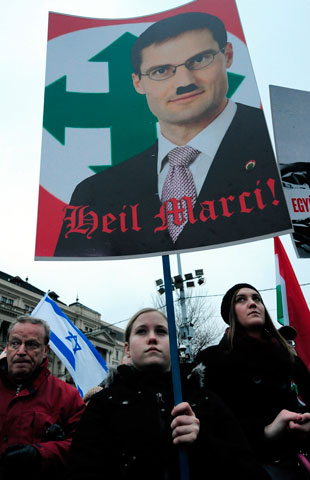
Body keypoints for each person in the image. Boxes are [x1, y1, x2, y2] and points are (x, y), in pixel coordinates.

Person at [54, 11, 290, 258]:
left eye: (199, 59)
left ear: (228, 55)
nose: (184, 81)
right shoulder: (95, 194)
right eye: (161, 71)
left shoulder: (282, 145)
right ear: (138, 83)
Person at [66, 307, 270, 479]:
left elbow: (249, 468)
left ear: (173, 345)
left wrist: (203, 442)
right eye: (142, 332)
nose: (152, 338)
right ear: (127, 349)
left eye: (162, 332)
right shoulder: (103, 404)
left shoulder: (205, 399)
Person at [195, 283, 310, 479]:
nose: (252, 304)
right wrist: (266, 430)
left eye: (257, 299)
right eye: (242, 299)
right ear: (230, 313)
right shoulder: (212, 360)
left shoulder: (290, 359)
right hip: (245, 470)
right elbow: (209, 425)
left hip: (296, 464)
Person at [0, 316, 85, 480]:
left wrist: (42, 453)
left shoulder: (68, 396)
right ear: (7, 346)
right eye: (15, 343)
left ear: (46, 351)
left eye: (31, 345)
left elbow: (83, 446)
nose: (21, 351)